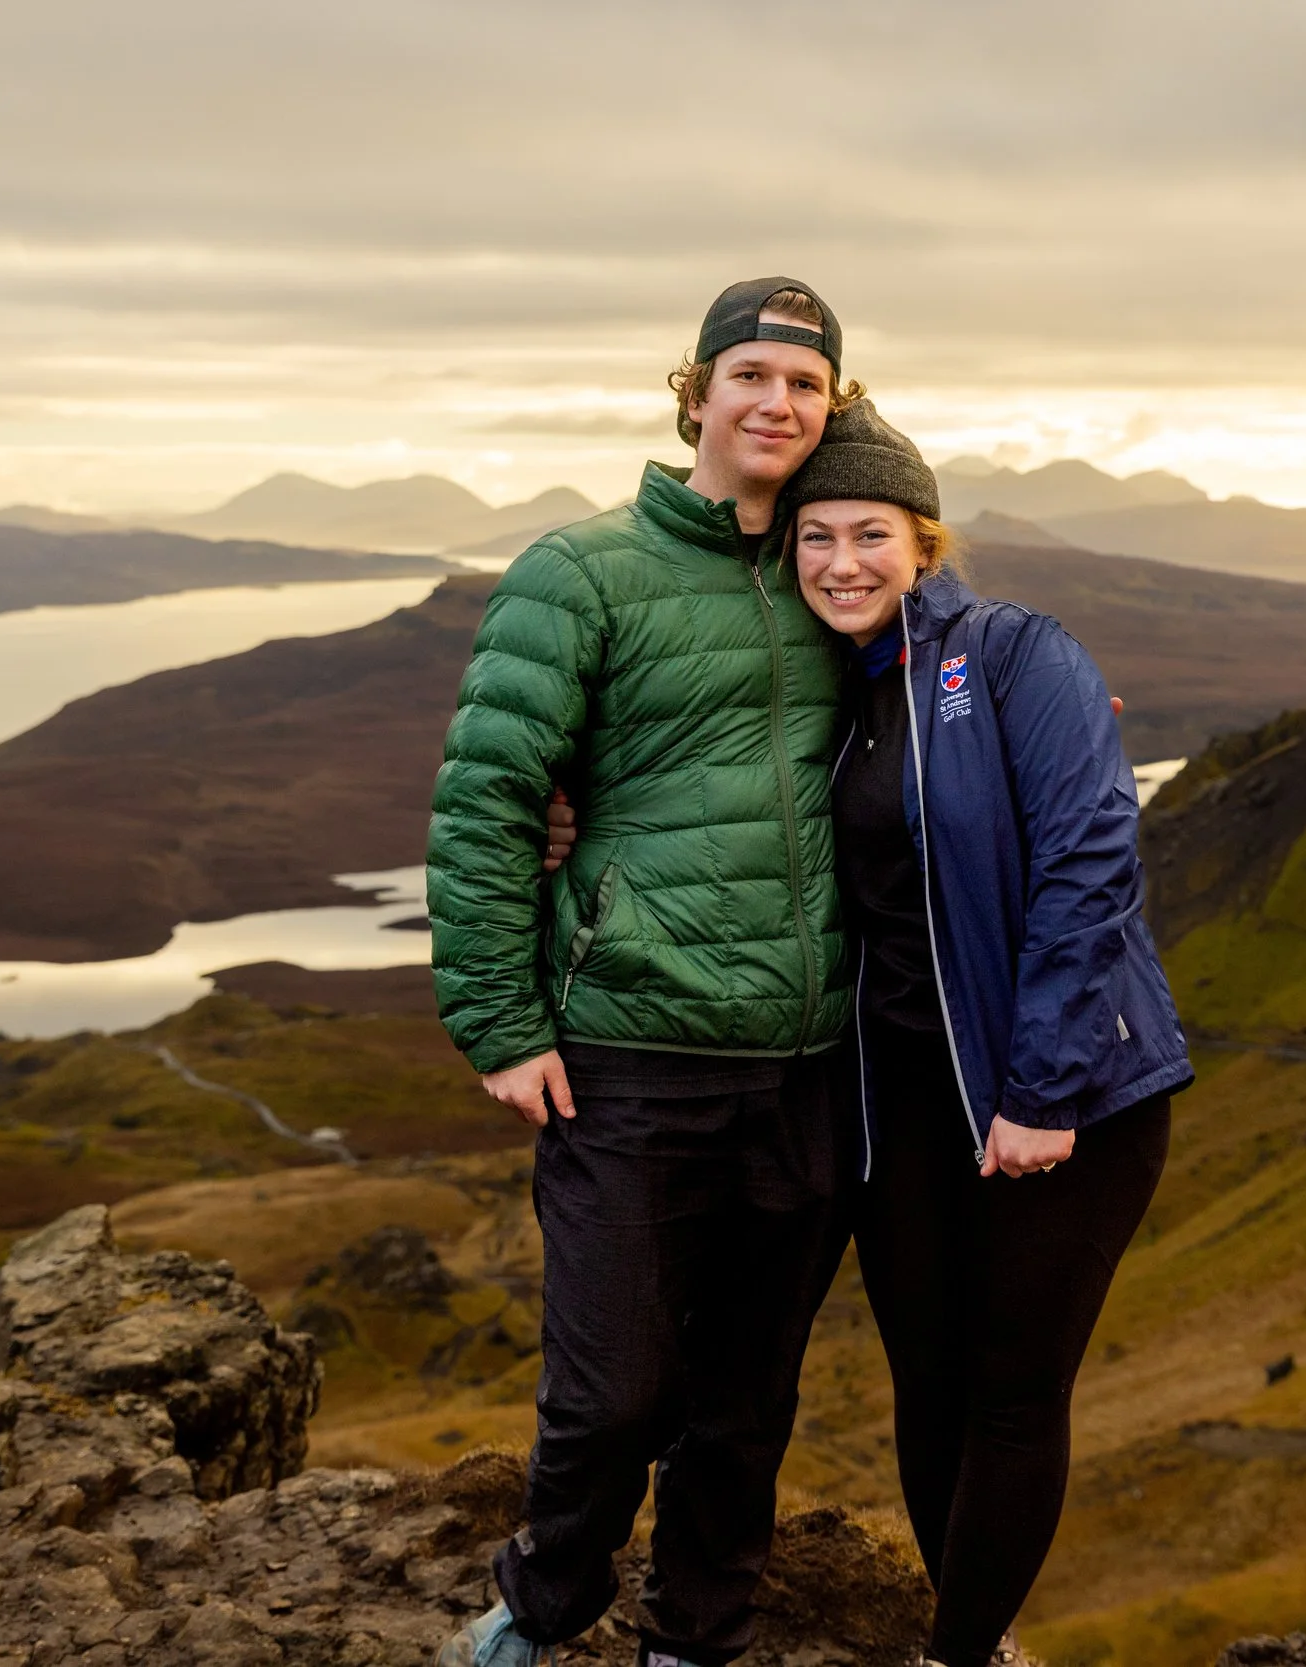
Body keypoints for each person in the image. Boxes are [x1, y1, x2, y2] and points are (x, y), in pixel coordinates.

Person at [550, 402, 1194, 1667]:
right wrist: (570, 808)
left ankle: (955, 1655)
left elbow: (1088, 864)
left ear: (925, 542)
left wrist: (1044, 1091)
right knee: (929, 1386)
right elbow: (713, 799)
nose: (841, 560)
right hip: (899, 1104)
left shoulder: (1016, 654)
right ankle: (972, 1637)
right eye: (816, 537)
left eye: (872, 533)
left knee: (1010, 1395)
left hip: (1060, 1101)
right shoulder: (836, 686)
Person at [426, 278, 865, 1667]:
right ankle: (541, 1605)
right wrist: (500, 1020)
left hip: (805, 1059)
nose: (775, 403)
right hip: (630, 1046)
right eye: (749, 376)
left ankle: (696, 1635)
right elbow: (490, 794)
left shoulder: (835, 567)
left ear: (833, 409)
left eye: (806, 385)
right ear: (695, 395)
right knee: (614, 1388)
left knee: (744, 1400)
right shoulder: (583, 570)